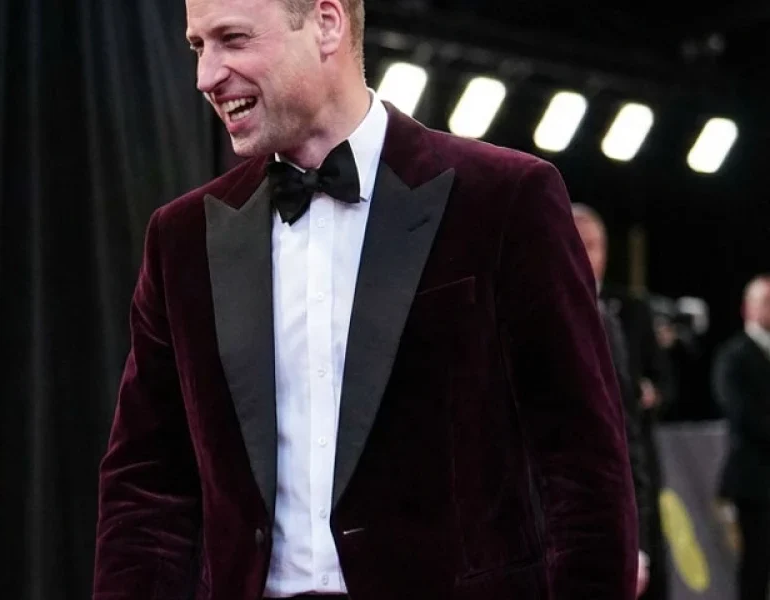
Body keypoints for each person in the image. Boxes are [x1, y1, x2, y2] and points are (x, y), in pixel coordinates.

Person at [92, 0, 637, 598]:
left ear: (327, 23)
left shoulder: (505, 200)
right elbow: (147, 486)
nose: (206, 75)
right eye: (199, 46)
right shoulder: (182, 238)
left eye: (233, 39)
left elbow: (584, 470)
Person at [573, 203, 668, 599]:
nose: (587, 256)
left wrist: (639, 541)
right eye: (580, 244)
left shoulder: (614, 318)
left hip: (602, 508)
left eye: (594, 245)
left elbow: (627, 436)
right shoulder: (511, 309)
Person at [714, 275, 770, 600]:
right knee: (755, 568)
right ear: (746, 307)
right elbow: (743, 415)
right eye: (764, 301)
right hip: (753, 483)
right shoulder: (732, 357)